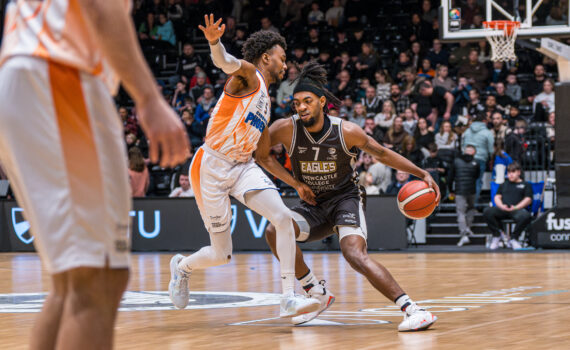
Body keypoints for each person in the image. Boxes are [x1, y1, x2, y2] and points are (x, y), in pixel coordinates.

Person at [0, 1, 189, 349]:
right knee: (98, 280)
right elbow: (102, 8)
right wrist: (148, 99)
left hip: (27, 74)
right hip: (59, 73)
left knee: (74, 281)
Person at [264, 61, 439, 331]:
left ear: (322, 102)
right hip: (312, 203)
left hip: (346, 198)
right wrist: (295, 183)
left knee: (354, 254)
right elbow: (260, 155)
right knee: (275, 231)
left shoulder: (346, 131)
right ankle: (316, 293)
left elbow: (381, 153)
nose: (301, 107)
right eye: (296, 103)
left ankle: (413, 309)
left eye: (307, 101)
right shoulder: (286, 128)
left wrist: (420, 172)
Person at [168, 15, 320, 318]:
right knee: (221, 254)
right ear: (266, 57)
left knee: (282, 218)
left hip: (242, 166)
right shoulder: (249, 75)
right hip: (211, 165)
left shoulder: (266, 102)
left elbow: (263, 157)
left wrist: (296, 185)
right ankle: (182, 267)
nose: (285, 63)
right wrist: (214, 42)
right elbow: (225, 61)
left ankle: (289, 297)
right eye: (282, 57)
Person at [483, 162, 532, 250]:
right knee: (487, 211)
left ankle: (513, 239)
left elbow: (528, 199)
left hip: (517, 209)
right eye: (509, 173)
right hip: (503, 209)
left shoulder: (526, 185)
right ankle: (497, 235)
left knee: (526, 216)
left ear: (519, 173)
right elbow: (497, 197)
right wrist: (501, 206)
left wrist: (516, 207)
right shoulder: (503, 184)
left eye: (513, 172)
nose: (510, 175)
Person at [448, 145, 480, 246]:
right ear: (474, 152)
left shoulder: (456, 161)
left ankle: (464, 234)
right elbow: (477, 176)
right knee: (471, 208)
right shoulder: (476, 162)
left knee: (461, 212)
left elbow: (450, 177)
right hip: (472, 190)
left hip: (459, 190)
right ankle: (468, 228)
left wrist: (450, 190)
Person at [462, 112, 494, 202]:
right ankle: (473, 204)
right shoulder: (487, 132)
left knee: (467, 181)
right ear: (484, 121)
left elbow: (462, 145)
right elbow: (491, 148)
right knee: (477, 181)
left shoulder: (467, 131)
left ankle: (465, 203)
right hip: (480, 159)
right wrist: (490, 157)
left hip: (466, 159)